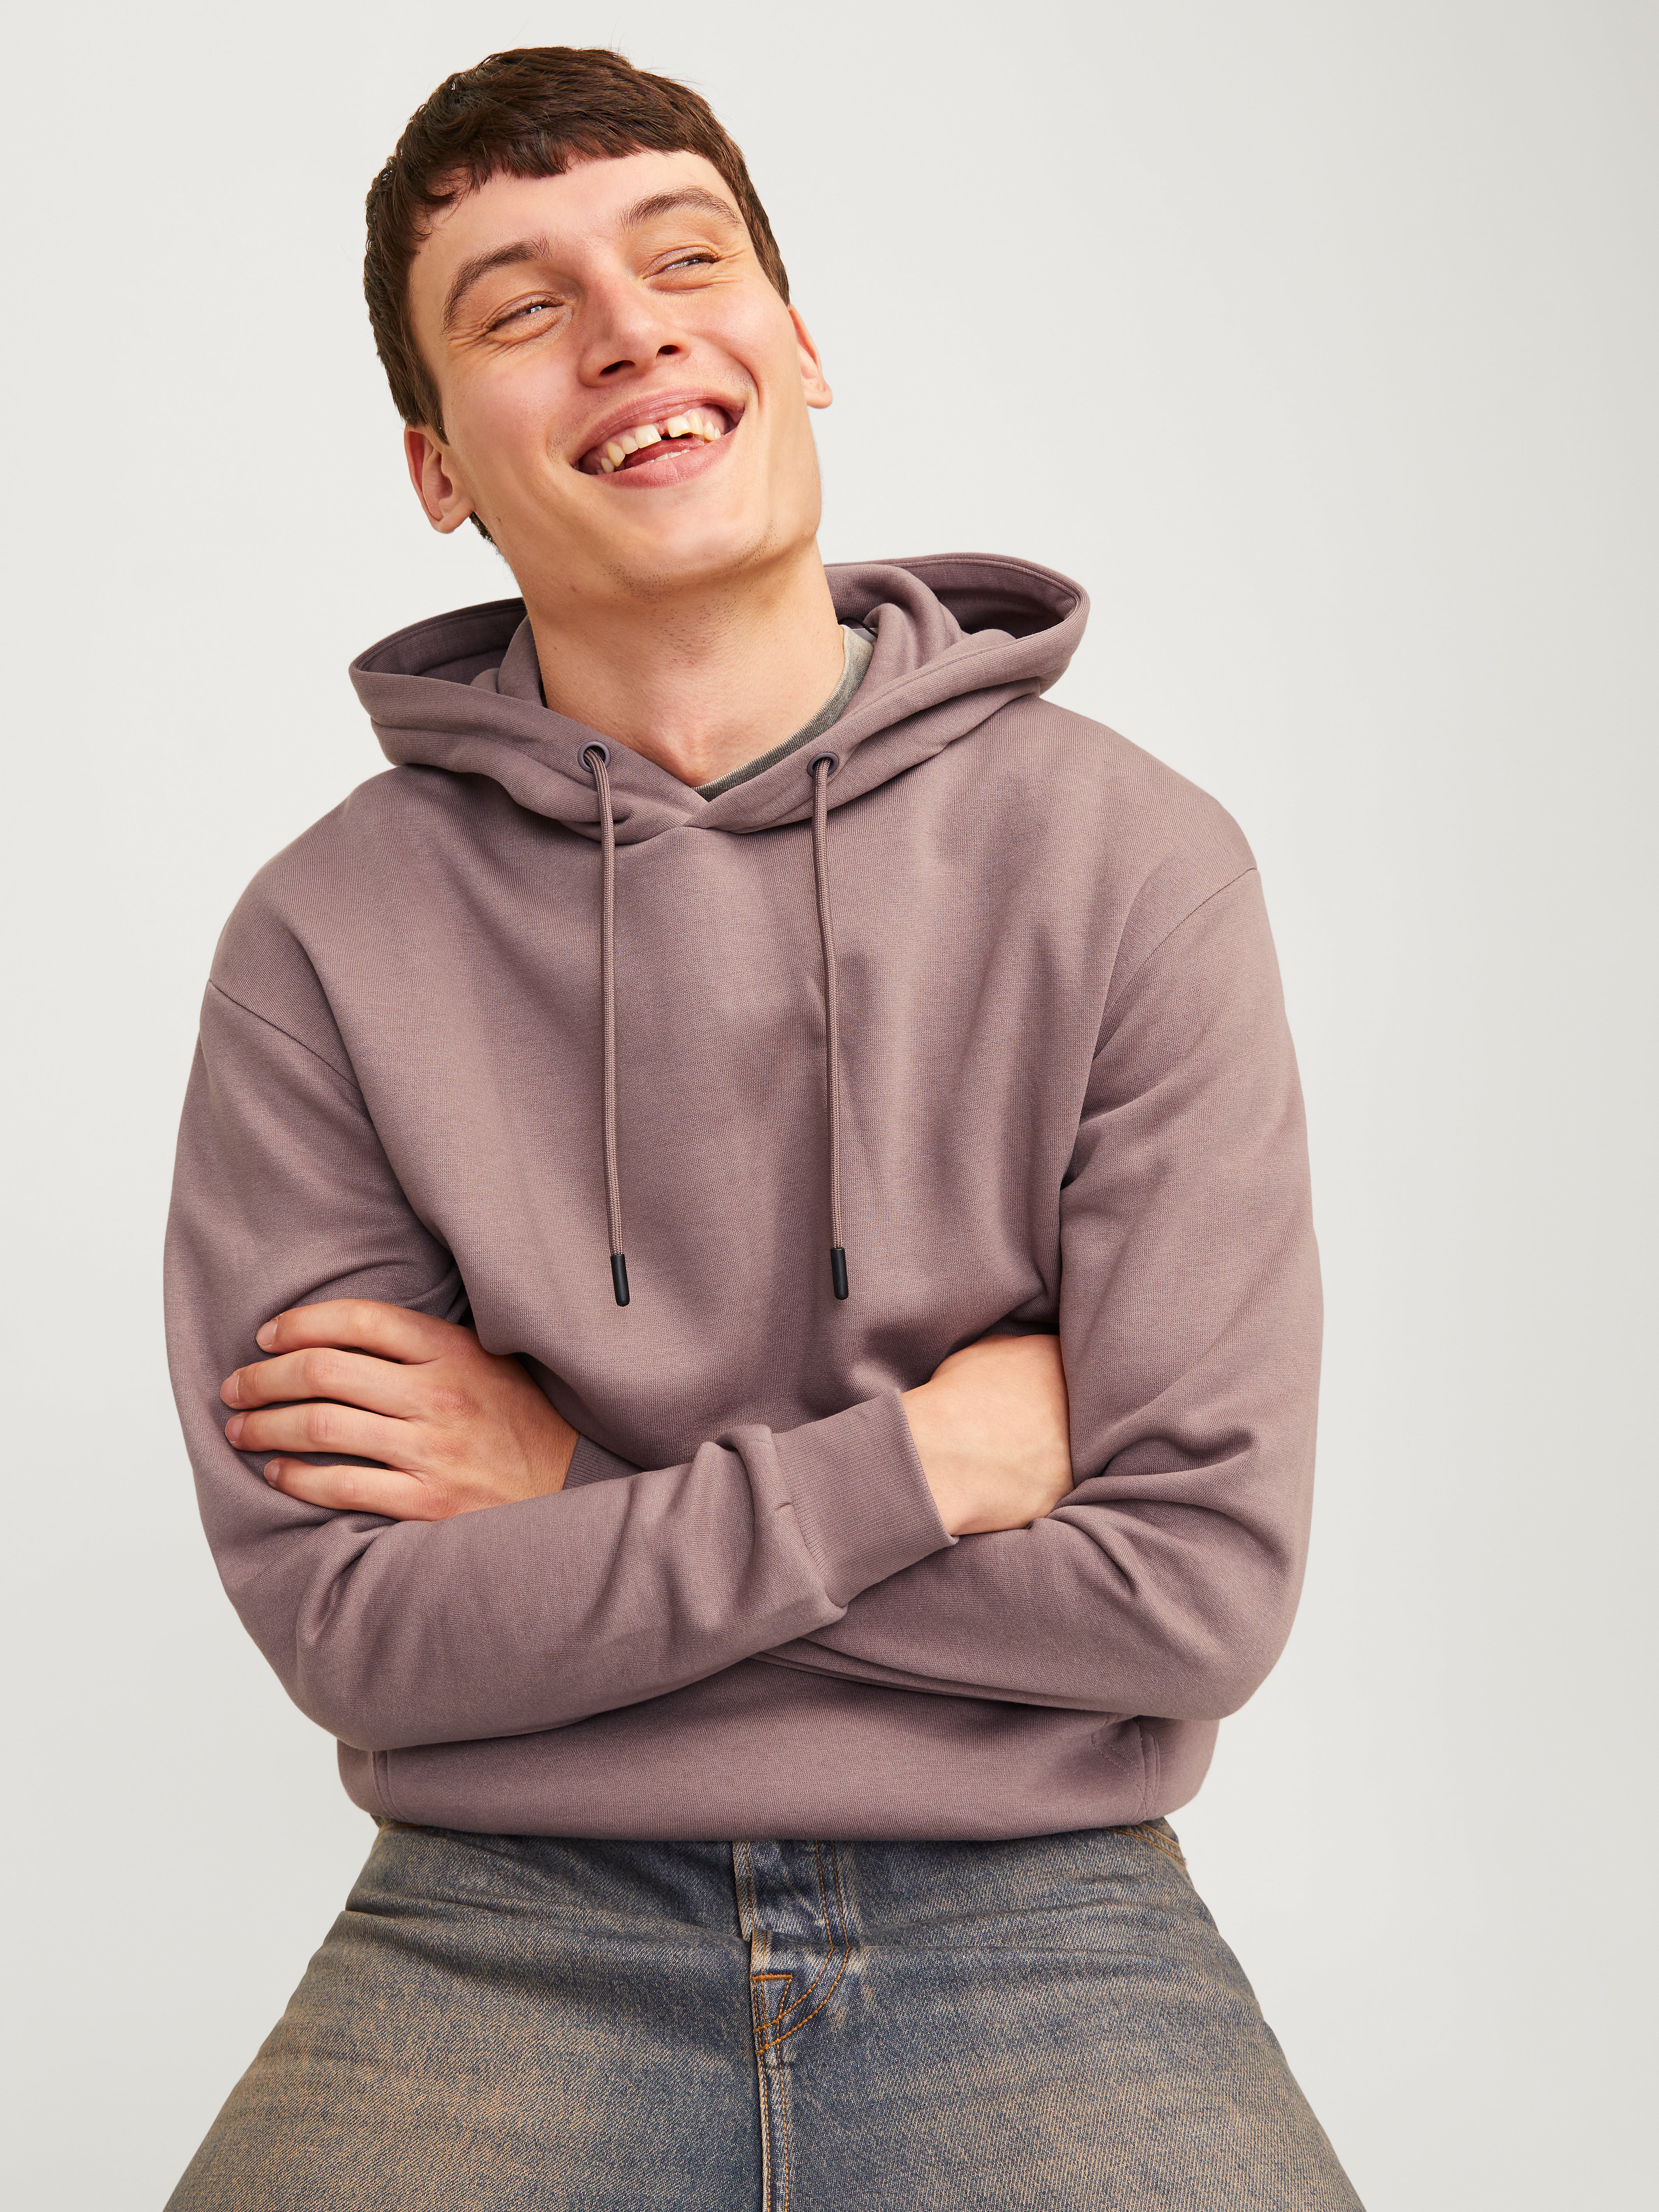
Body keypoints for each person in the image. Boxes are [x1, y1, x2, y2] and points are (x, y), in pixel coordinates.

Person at [163, 44, 1361, 2211]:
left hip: (1041, 1903)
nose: (629, 330)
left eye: (685, 259)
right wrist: (936, 1466)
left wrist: (561, 1489)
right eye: (522, 308)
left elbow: (1189, 1599)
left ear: (797, 343)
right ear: (438, 468)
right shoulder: (324, 940)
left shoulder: (1131, 866)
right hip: (501, 1913)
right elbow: (352, 1628)